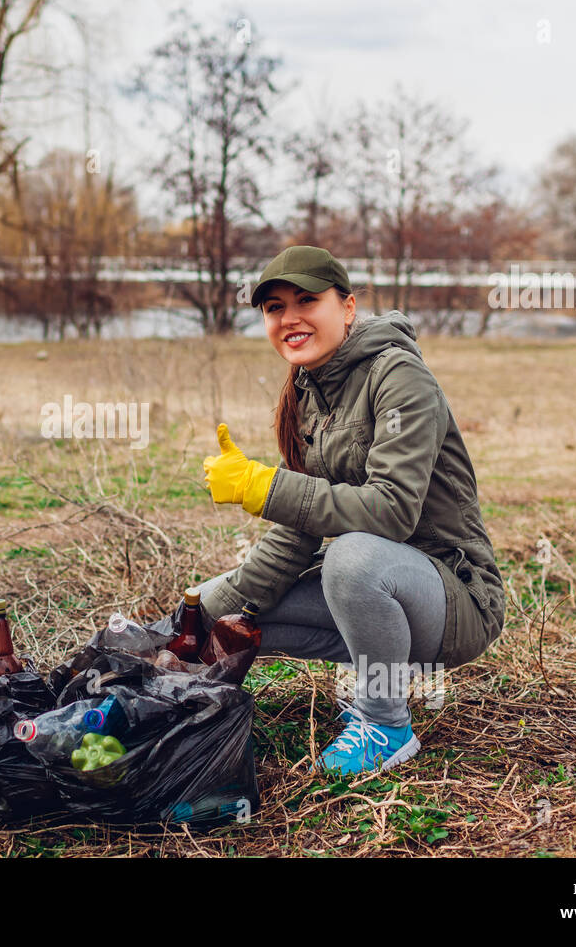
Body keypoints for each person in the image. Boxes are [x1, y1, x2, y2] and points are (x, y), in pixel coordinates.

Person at [193, 245, 505, 776]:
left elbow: (392, 511)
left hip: (455, 599)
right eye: (273, 308)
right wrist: (196, 614)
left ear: (348, 307)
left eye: (306, 301)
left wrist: (264, 486)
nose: (289, 319)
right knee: (238, 612)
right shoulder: (308, 391)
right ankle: (191, 703)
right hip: (385, 601)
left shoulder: (399, 377)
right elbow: (301, 529)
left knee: (354, 558)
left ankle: (385, 724)